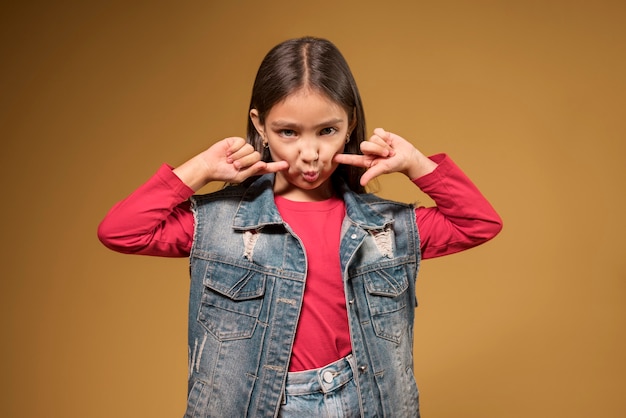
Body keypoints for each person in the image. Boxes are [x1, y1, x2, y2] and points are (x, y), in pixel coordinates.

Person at [98, 36, 502, 418]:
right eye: (287, 132)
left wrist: (415, 162)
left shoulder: (385, 227)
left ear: (350, 123)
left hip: (361, 404)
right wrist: (200, 168)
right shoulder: (220, 223)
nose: (310, 154)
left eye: (327, 131)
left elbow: (478, 223)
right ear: (259, 124)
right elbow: (121, 231)